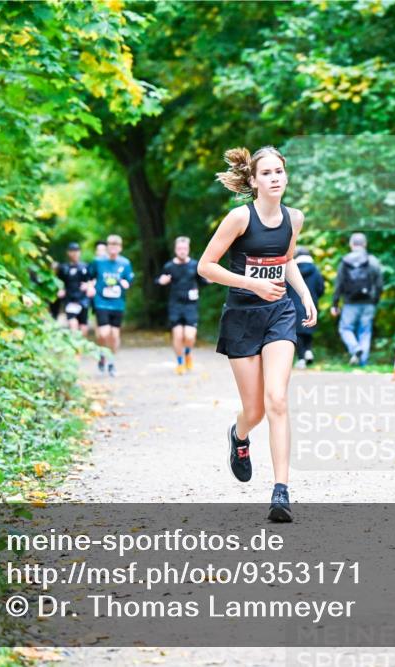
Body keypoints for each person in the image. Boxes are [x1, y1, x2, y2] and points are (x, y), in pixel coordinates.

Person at [198, 146, 316, 523]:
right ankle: (239, 435)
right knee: (256, 410)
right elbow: (206, 267)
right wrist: (251, 283)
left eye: (279, 171)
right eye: (266, 173)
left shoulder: (293, 218)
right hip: (242, 316)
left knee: (278, 399)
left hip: (280, 314)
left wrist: (304, 293)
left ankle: (281, 490)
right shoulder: (239, 218)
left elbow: (286, 261)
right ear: (253, 181)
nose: (275, 178)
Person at [330, 232, 384, 366]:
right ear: (365, 244)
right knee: (365, 331)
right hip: (368, 302)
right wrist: (375, 300)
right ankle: (363, 363)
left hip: (350, 303)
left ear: (351, 244)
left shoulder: (345, 261)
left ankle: (355, 349)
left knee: (345, 328)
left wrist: (335, 304)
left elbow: (339, 284)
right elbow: (379, 284)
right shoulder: (373, 261)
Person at [157, 236, 208, 374]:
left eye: (184, 248)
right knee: (178, 335)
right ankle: (180, 362)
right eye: (179, 248)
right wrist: (161, 281)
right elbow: (160, 279)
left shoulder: (194, 265)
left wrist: (209, 280)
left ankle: (188, 353)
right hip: (175, 305)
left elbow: (202, 281)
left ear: (188, 249)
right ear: (175, 249)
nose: (182, 251)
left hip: (191, 305)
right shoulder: (169, 266)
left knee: (189, 336)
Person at [87, 234, 134, 376]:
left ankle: (111, 361)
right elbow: (90, 277)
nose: (113, 248)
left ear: (120, 248)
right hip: (101, 302)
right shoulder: (98, 262)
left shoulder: (125, 263)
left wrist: (127, 283)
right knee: (103, 333)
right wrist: (90, 287)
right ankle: (102, 355)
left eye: (116, 245)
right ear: (107, 247)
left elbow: (129, 279)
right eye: (110, 245)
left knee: (114, 335)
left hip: (118, 303)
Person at [287, 246, 325, 369]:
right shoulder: (315, 270)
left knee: (297, 331)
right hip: (310, 303)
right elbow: (321, 288)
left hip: (294, 303)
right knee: (309, 327)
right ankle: (308, 350)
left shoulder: (291, 270)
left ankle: (301, 358)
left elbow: (285, 287)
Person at [56, 242, 91, 335]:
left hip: (82, 298)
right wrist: (60, 289)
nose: (74, 253)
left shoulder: (85, 266)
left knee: (83, 324)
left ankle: (83, 345)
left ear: (80, 252)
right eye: (72, 251)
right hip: (69, 298)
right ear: (68, 253)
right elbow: (58, 281)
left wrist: (88, 286)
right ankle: (76, 344)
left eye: (77, 251)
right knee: (72, 322)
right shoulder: (63, 268)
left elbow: (91, 280)